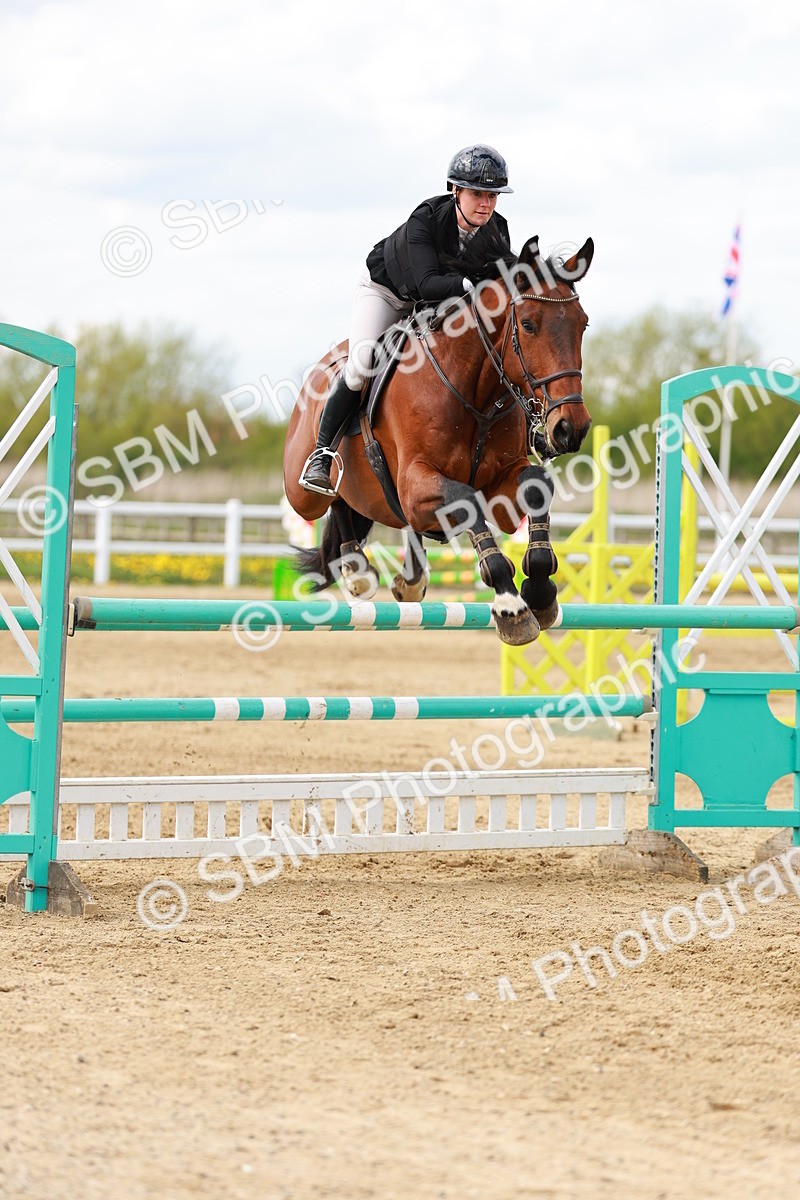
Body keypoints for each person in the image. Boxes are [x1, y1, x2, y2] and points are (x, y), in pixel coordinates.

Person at [300, 144, 514, 494]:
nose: (486, 204)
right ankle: (322, 454)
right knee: (362, 362)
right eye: (477, 193)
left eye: (492, 196)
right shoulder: (426, 219)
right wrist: (472, 284)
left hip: (437, 303)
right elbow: (425, 283)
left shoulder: (497, 229)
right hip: (387, 292)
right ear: (455, 190)